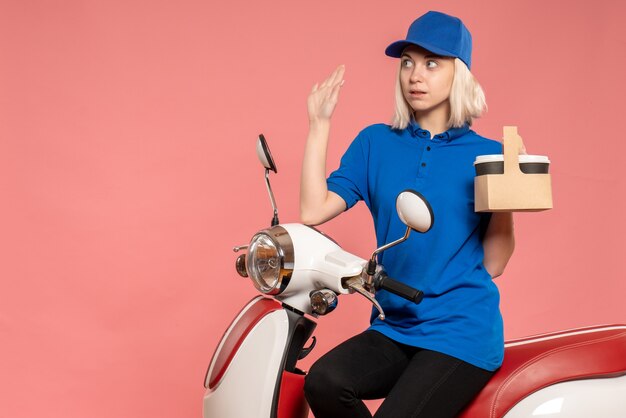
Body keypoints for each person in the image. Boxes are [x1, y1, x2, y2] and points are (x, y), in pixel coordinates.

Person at [300, 11, 516, 418]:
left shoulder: (487, 155)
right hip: (394, 326)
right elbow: (313, 210)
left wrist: (505, 192)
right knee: (324, 381)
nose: (415, 75)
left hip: (460, 333)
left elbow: (496, 263)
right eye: (407, 63)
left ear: (460, 73)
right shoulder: (375, 143)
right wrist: (319, 125)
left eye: (431, 63)